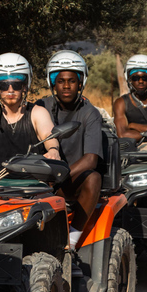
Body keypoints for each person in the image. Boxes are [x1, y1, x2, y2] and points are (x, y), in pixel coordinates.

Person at [36, 50, 103, 248]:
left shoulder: (90, 113)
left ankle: (72, 241)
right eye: (60, 80)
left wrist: (57, 177)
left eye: (72, 81)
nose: (66, 86)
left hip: (70, 180)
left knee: (94, 177)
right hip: (40, 178)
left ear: (81, 83)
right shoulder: (40, 107)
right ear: (52, 83)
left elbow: (91, 160)